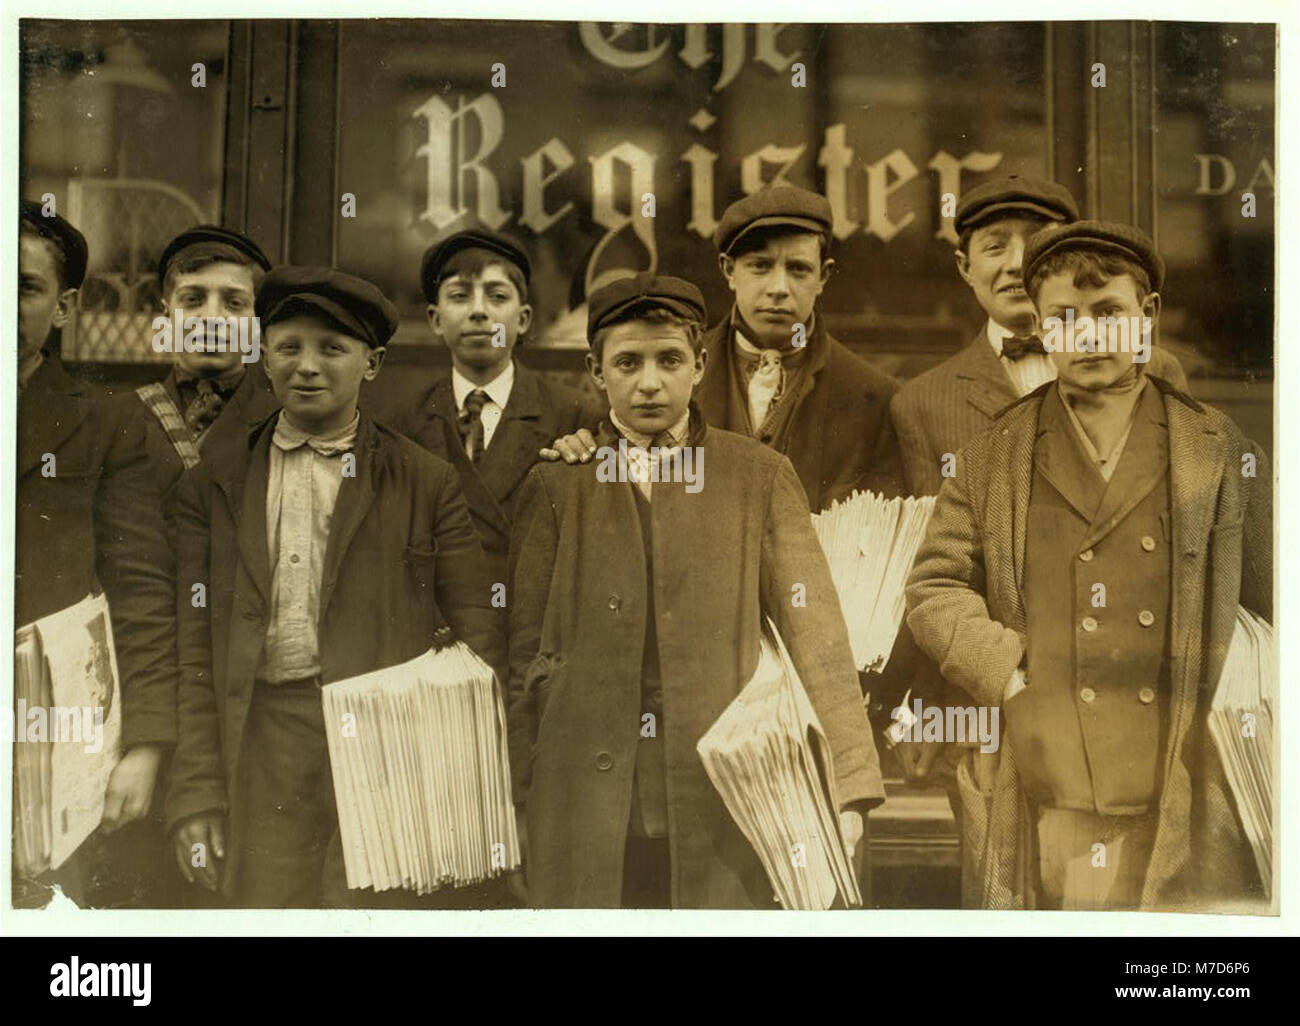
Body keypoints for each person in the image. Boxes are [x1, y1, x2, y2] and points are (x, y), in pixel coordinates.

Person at [904, 221, 1271, 911]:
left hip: (1180, 772)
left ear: (1149, 316)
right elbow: (933, 586)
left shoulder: (1217, 448)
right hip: (1051, 773)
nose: (1089, 336)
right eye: (1066, 318)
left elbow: (1275, 599)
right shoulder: (995, 453)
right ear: (1041, 329)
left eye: (1109, 314)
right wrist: (1007, 672)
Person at [507, 272, 884, 908]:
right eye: (627, 362)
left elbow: (816, 632)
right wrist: (516, 796)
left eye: (669, 359)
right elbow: (523, 659)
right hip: (586, 797)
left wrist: (850, 784)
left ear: (701, 364)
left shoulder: (757, 475)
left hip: (723, 794)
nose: (649, 381)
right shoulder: (556, 486)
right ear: (596, 372)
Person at [165, 266, 506, 907]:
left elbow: (478, 635)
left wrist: (469, 782)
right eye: (288, 348)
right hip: (267, 736)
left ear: (372, 364)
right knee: (270, 905)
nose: (308, 367)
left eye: (332, 349)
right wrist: (197, 792)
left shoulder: (423, 480)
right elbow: (193, 650)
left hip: (389, 743)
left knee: (378, 908)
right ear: (264, 358)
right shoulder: (216, 479)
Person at [888, 175, 1187, 791]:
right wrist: (930, 706)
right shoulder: (924, 401)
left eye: (1037, 242)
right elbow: (935, 571)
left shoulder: (1155, 369)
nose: (1017, 261)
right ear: (964, 266)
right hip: (999, 704)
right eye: (995, 246)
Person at [545, 185, 903, 509]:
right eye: (759, 266)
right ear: (729, 270)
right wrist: (585, 450)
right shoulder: (672, 376)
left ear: (823, 276)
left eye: (798, 269)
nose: (778, 287)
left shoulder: (871, 396)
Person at [16, 200, 177, 906]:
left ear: (62, 307)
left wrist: (144, 746)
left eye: (23, 286)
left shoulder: (106, 424)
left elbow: (141, 590)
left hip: (47, 739)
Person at [377, 229, 601, 588]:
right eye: (460, 296)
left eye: (497, 296)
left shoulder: (575, 417)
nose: (478, 311)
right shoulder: (400, 424)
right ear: (435, 319)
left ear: (524, 319)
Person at [132, 226, 278, 497]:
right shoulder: (124, 419)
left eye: (234, 303)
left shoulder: (279, 422)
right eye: (192, 300)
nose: (211, 317)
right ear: (166, 316)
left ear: (259, 323)